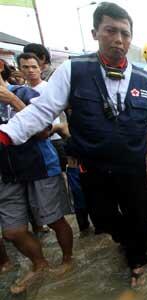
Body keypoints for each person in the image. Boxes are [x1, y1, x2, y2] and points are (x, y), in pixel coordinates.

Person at [0, 2, 147, 287]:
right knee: (102, 219)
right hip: (93, 166)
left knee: (139, 218)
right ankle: (126, 240)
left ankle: (138, 261)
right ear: (96, 33)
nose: (118, 39)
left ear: (131, 38)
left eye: (125, 33)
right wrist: (5, 135)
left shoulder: (145, 80)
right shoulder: (73, 70)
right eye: (111, 31)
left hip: (132, 168)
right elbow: (41, 111)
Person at [0, 62, 71, 294]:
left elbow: (43, 130)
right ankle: (40, 264)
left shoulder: (24, 93)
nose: (30, 70)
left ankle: (68, 260)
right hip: (8, 174)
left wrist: (12, 100)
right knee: (12, 232)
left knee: (55, 220)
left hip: (40, 167)